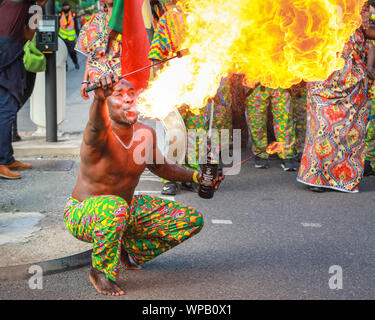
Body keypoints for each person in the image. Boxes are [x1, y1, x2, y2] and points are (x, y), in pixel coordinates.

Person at [64, 75, 222, 296]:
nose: (128, 99)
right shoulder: (99, 135)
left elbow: (162, 168)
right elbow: (95, 124)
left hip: (124, 211)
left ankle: (123, 248)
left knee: (192, 220)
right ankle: (99, 271)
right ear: (107, 104)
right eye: (118, 95)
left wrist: (197, 177)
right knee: (116, 208)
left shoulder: (146, 133)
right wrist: (98, 100)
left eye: (131, 94)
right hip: (83, 213)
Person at [297, 2, 375, 193]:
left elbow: (370, 35)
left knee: (349, 130)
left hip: (352, 79)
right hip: (325, 77)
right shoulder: (317, 6)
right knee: (322, 129)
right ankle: (318, 177)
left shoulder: (362, 8)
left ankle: (342, 177)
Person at [0, 0, 47, 179]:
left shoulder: (20, 6)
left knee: (7, 106)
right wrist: (39, 7)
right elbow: (29, 34)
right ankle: (2, 162)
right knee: (7, 109)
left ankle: (7, 158)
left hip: (9, 50)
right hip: (7, 51)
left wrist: (39, 8)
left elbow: (28, 34)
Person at [76, 0, 122, 100]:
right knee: (102, 112)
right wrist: (85, 81)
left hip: (121, 78)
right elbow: (90, 54)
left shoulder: (127, 18)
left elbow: (136, 46)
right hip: (98, 81)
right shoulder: (94, 21)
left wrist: (117, 36)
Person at [246, 84, 297, 171]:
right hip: (256, 81)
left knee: (284, 120)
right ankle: (260, 153)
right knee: (256, 121)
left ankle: (287, 155)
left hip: (281, 80)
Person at [59, 2, 80, 70]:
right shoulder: (59, 14)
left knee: (72, 52)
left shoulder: (73, 14)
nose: (65, 7)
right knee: (63, 53)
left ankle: (75, 62)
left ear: (69, 6)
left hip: (71, 37)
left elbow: (76, 25)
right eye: (64, 6)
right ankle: (65, 66)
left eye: (67, 6)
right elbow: (57, 25)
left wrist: (78, 35)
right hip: (62, 37)